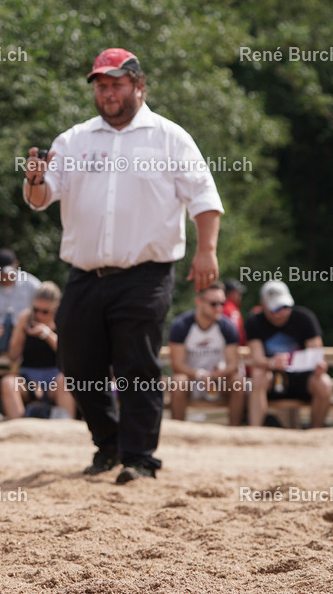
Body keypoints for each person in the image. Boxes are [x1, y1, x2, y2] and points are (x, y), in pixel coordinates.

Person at [23, 47, 224, 484]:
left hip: (146, 273)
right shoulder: (74, 139)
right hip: (85, 274)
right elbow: (42, 199)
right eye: (101, 86)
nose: (108, 93)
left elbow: (205, 198)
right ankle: (109, 442)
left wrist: (206, 250)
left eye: (116, 84)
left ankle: (140, 458)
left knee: (137, 363)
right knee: (76, 363)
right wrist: (35, 180)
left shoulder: (170, 137)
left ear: (138, 85)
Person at [246, 280, 331, 428]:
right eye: (275, 309)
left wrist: (320, 367)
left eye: (285, 307)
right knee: (258, 375)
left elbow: (316, 354)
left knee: (323, 382)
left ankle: (315, 432)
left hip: (302, 379)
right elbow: (257, 359)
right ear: (264, 305)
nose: (281, 312)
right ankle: (255, 431)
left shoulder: (305, 318)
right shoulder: (254, 322)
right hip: (273, 380)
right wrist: (272, 363)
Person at [167, 282, 245, 425]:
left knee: (238, 382)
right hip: (192, 381)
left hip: (219, 381)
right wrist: (199, 375)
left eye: (222, 303)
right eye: (214, 303)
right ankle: (178, 429)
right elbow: (177, 365)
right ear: (198, 302)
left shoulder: (227, 327)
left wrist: (218, 374)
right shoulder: (181, 326)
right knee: (178, 382)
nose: (219, 308)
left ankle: (236, 432)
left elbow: (233, 364)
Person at [0, 281, 75, 420]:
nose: (39, 315)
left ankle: (66, 427)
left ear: (56, 306)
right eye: (36, 310)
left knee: (65, 381)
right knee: (8, 383)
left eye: (45, 311)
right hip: (29, 379)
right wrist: (17, 335)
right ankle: (19, 430)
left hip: (56, 378)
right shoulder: (25, 318)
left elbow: (70, 356)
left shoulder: (64, 319)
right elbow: (13, 357)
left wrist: (46, 334)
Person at [222, 279, 247, 346]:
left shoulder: (222, 306)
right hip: (233, 347)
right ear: (229, 293)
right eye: (237, 292)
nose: (240, 295)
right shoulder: (231, 309)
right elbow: (235, 331)